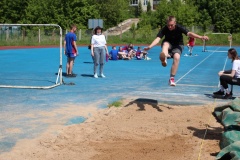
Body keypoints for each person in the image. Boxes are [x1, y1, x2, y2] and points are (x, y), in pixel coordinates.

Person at [144, 16, 209, 86]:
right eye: (168, 25)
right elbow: (158, 39)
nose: (169, 27)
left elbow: (189, 33)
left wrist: (200, 37)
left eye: (171, 25)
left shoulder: (179, 27)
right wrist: (150, 46)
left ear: (175, 23)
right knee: (165, 44)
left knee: (177, 57)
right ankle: (164, 59)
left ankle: (171, 79)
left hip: (178, 45)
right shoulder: (165, 29)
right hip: (168, 43)